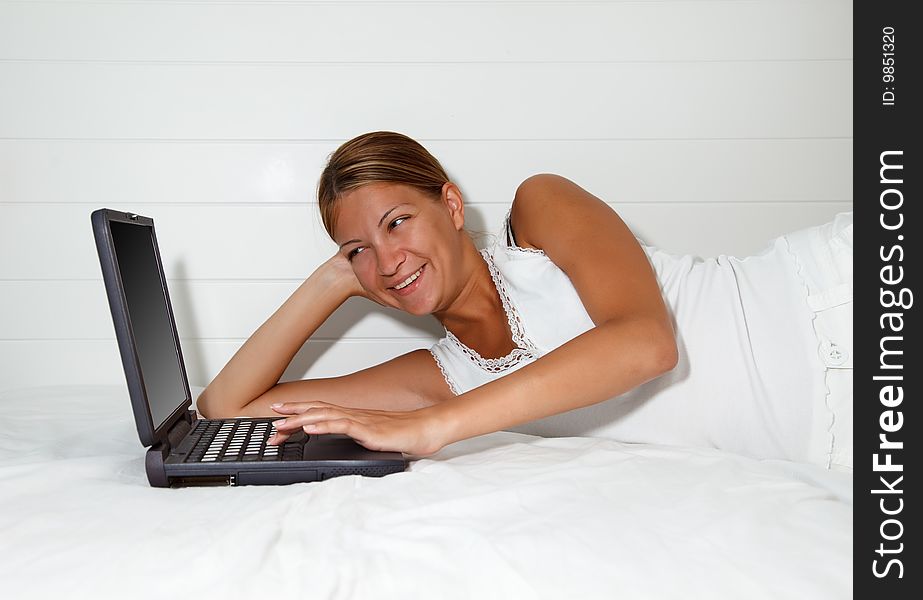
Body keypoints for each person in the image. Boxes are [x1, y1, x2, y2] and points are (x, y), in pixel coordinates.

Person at [197, 131, 852, 468]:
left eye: (397, 222)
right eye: (357, 248)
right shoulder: (445, 377)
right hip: (840, 440)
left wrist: (434, 427)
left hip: (833, 297)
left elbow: (644, 344)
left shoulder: (539, 212)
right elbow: (226, 410)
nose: (387, 260)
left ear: (450, 206)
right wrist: (332, 281)